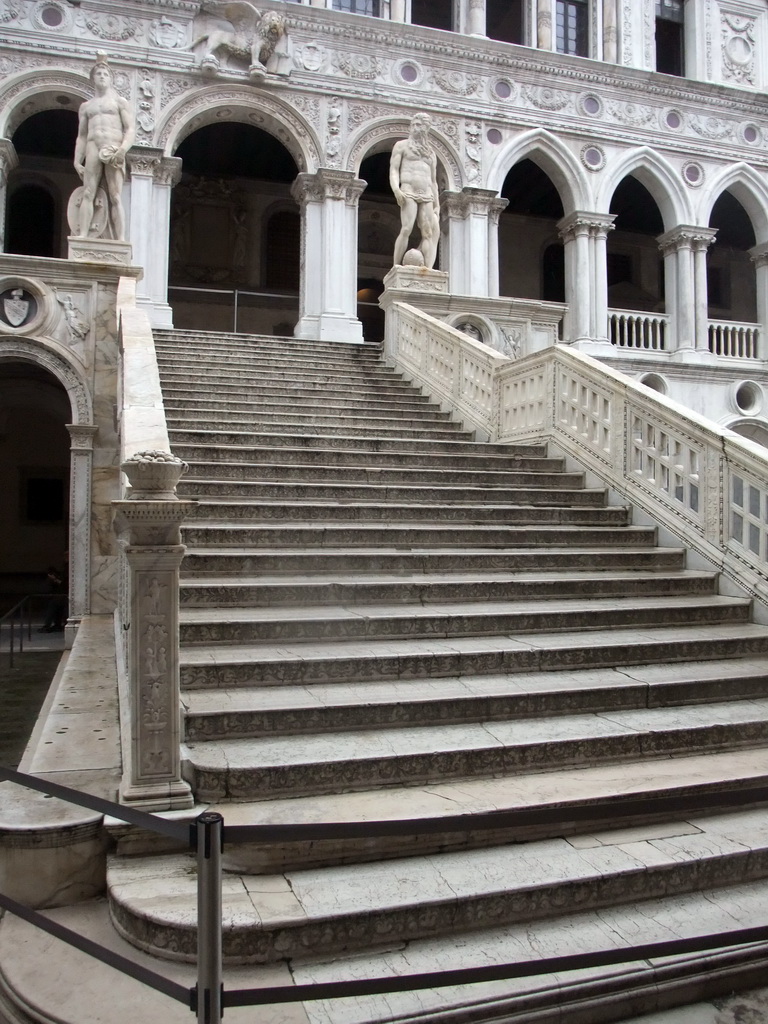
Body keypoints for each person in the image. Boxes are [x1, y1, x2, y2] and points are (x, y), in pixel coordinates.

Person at [73, 55, 135, 240]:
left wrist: (123, 149)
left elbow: (131, 129)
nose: (101, 76)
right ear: (93, 78)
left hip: (113, 148)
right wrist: (77, 161)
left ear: (110, 78)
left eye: (105, 73)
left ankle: (121, 239)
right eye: (98, 73)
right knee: (88, 192)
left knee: (116, 196)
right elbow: (82, 136)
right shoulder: (86, 107)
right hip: (93, 147)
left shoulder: (119, 102)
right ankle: (83, 235)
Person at [389, 113, 440, 269]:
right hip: (408, 190)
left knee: (428, 233)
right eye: (415, 124)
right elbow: (394, 170)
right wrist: (396, 189)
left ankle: (428, 269)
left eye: (421, 125)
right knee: (406, 228)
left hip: (427, 195)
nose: (417, 128)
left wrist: (437, 204)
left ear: (427, 129)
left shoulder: (430, 153)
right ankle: (396, 267)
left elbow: (433, 181)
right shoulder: (401, 146)